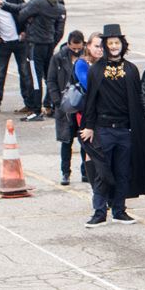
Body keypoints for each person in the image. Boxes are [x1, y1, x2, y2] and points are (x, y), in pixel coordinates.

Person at [79, 23, 145, 226]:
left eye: (116, 42)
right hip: (103, 130)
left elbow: (137, 101)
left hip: (125, 130)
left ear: (122, 44)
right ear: (105, 45)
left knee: (123, 172)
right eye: (110, 42)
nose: (113, 46)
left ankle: (119, 210)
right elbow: (90, 101)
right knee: (103, 173)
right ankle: (99, 211)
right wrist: (89, 126)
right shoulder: (96, 69)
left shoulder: (130, 69)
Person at [18, 0, 66, 121]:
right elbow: (60, 29)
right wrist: (53, 42)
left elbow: (21, 14)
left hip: (35, 44)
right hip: (49, 44)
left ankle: (36, 110)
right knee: (50, 76)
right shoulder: (59, 5)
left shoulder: (38, 2)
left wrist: (25, 27)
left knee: (35, 77)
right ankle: (50, 104)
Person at [51, 30, 89, 184]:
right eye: (73, 48)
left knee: (84, 141)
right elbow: (51, 80)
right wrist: (57, 101)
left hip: (81, 105)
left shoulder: (86, 58)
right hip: (65, 105)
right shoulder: (59, 58)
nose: (76, 51)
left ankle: (85, 171)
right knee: (66, 141)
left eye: (79, 48)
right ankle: (65, 172)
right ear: (68, 45)